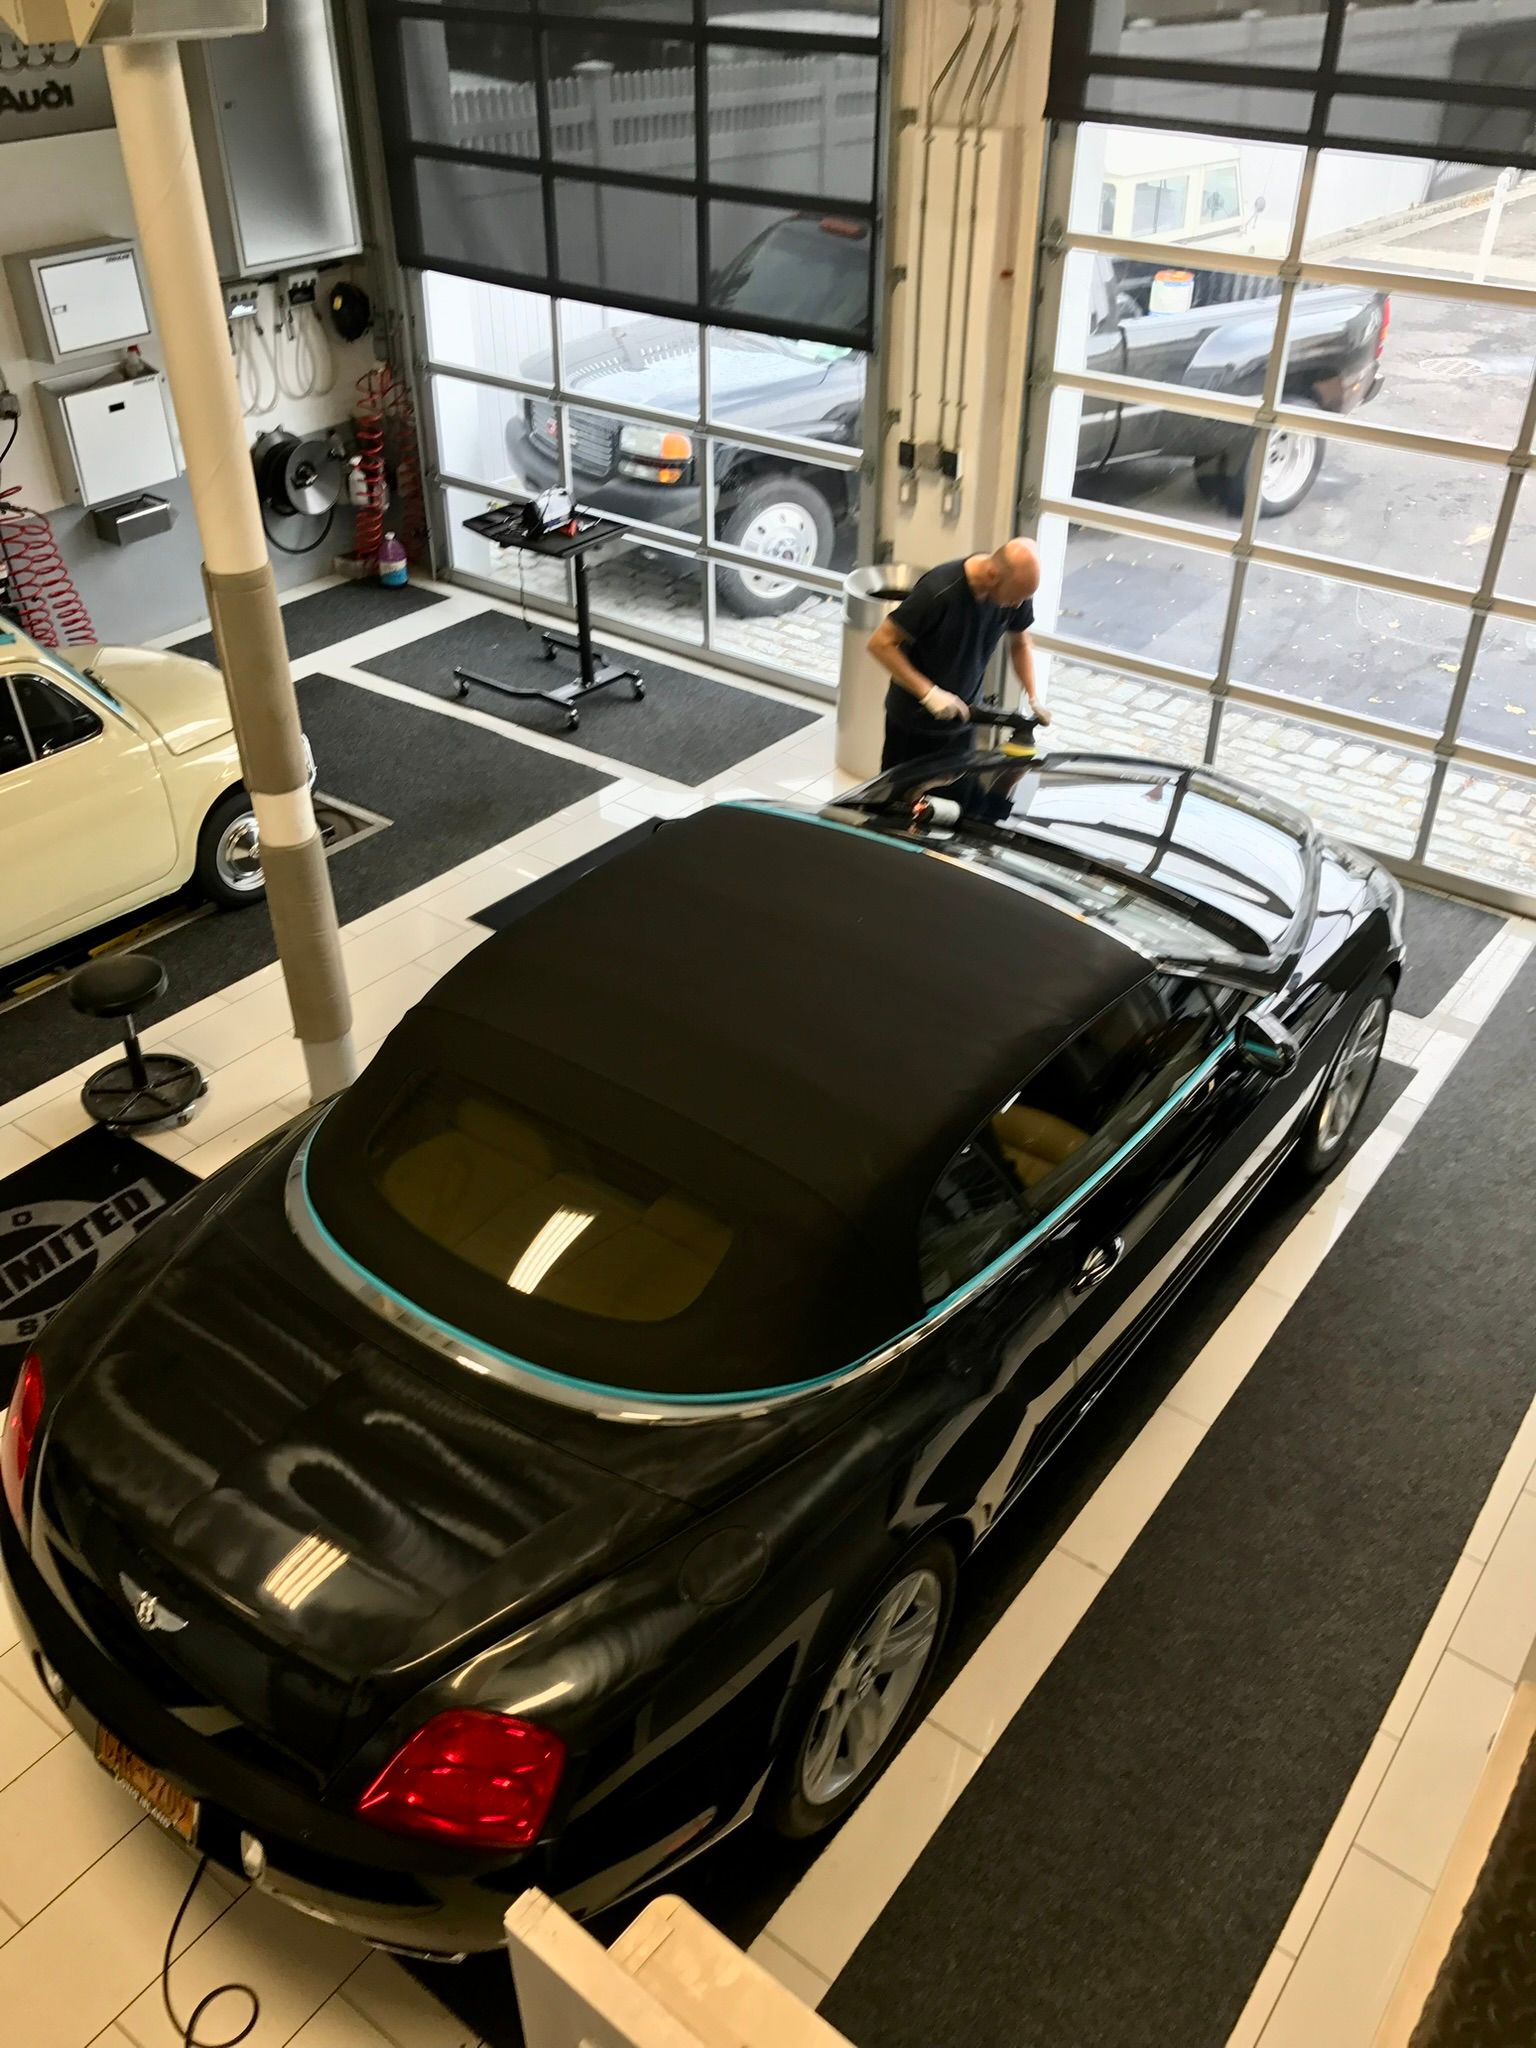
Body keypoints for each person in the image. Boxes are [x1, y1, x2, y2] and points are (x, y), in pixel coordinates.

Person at [867, 538, 1050, 772]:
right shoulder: (938, 592)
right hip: (914, 724)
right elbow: (880, 643)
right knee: (899, 803)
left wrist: (1033, 695)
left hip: (964, 721)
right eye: (1015, 598)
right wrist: (929, 693)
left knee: (954, 802)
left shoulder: (1015, 590)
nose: (1017, 606)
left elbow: (1020, 643)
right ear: (993, 575)